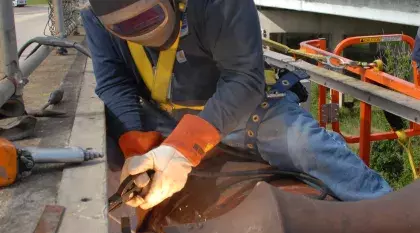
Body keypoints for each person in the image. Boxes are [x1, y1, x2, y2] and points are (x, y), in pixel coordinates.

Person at [81, 0, 392, 210]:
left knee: (303, 144)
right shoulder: (94, 17)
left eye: (149, 18)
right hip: (159, 117)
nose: (140, 32)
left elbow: (244, 79)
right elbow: (114, 84)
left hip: (236, 111)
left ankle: (392, 214)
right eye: (125, 29)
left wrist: (181, 149)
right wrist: (138, 149)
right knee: (103, 154)